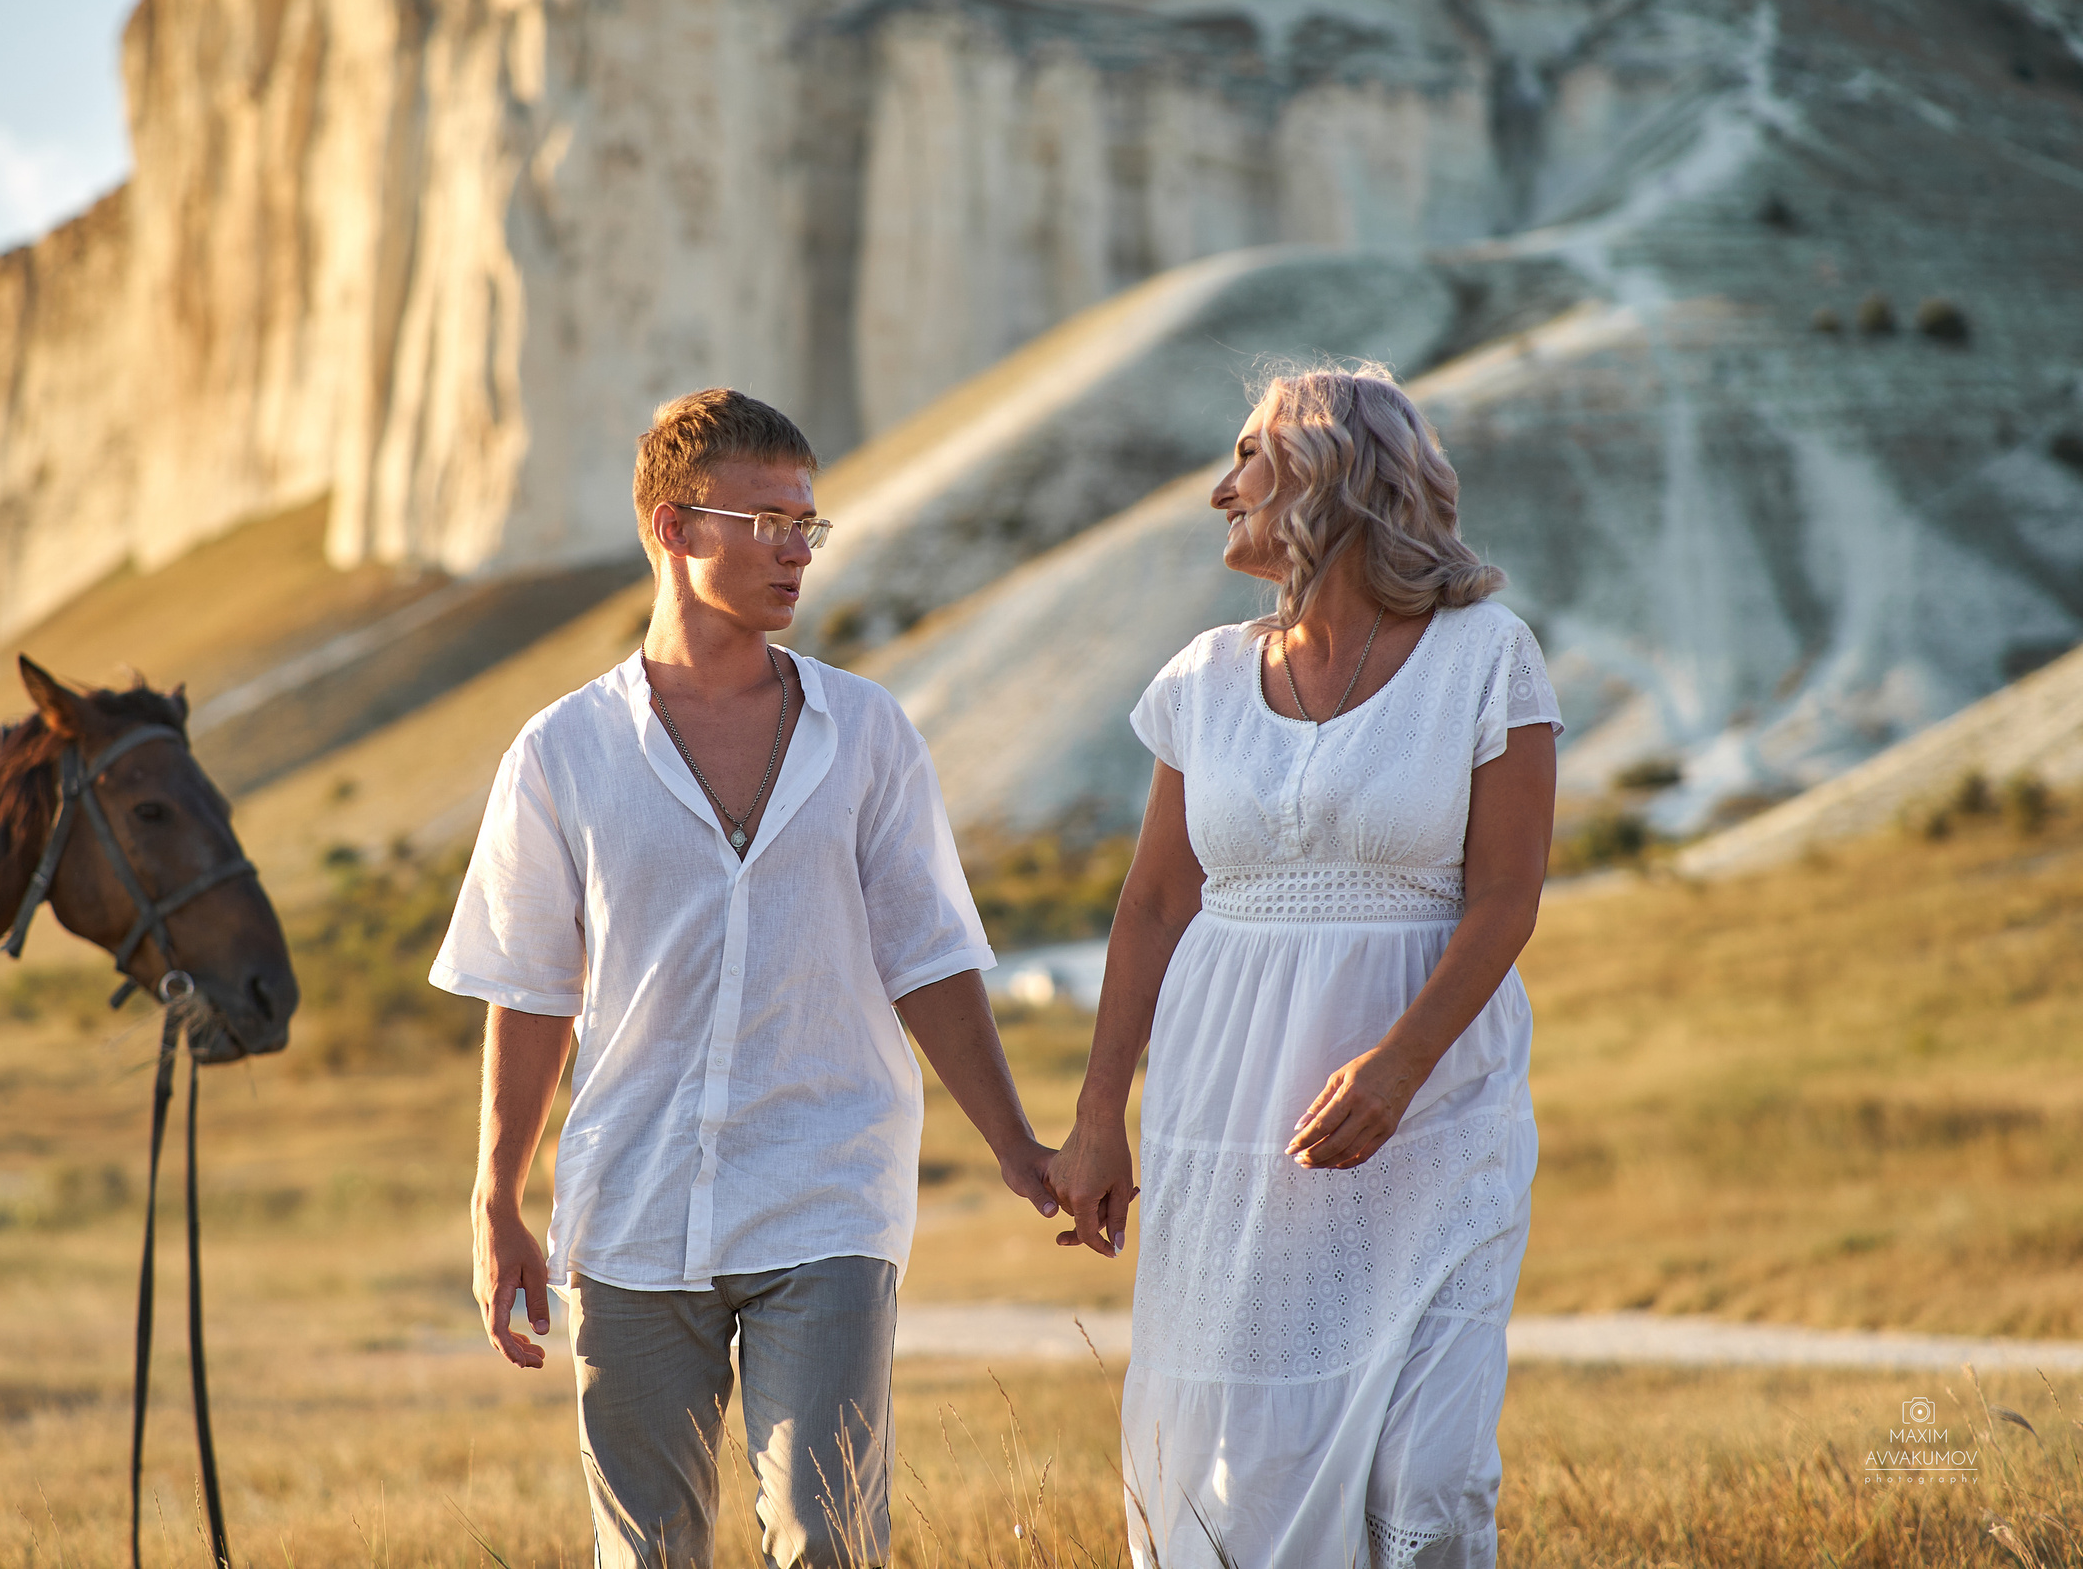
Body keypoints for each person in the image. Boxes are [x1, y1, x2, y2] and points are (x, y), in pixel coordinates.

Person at [433, 388, 1061, 1569]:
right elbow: (528, 990)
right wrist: (496, 1199)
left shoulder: (868, 734)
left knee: (828, 1538)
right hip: (629, 1205)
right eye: (766, 519)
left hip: (826, 1190)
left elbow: (928, 957)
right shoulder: (560, 753)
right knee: (651, 1553)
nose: (794, 552)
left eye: (807, 525)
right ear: (676, 528)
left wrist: (1016, 1145)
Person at [1048, 365, 1560, 1568]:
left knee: (1427, 1469)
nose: (1219, 490)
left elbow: (1505, 895)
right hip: (1225, 1117)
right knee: (1245, 1453)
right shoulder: (1203, 676)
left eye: (1248, 459)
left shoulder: (1486, 656)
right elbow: (1154, 904)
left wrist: (1397, 1066)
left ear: (1329, 472)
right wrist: (1096, 1118)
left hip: (1432, 1110)